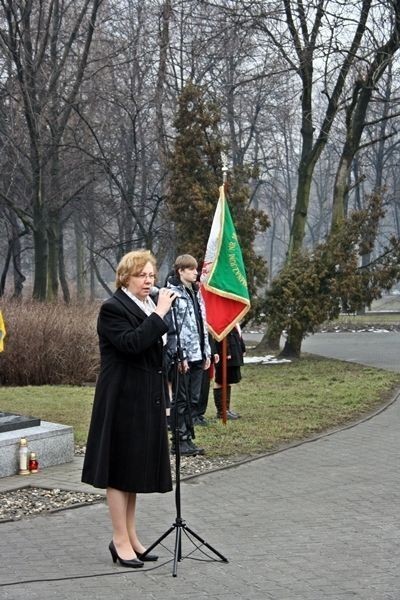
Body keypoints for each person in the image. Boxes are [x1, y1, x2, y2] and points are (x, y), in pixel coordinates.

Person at [81, 249, 177, 568]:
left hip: (145, 396)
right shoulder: (113, 308)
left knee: (133, 471)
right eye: (142, 275)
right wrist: (160, 313)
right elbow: (132, 344)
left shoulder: (148, 304)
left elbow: (155, 350)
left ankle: (131, 536)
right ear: (126, 277)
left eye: (152, 275)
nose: (149, 281)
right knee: (119, 471)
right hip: (121, 397)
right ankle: (119, 539)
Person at [165, 254, 211, 456]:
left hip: (198, 354)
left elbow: (202, 324)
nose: (196, 272)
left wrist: (207, 351)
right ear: (180, 271)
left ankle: (188, 437)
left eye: (196, 269)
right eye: (191, 269)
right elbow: (172, 328)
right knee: (180, 399)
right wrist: (179, 356)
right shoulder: (171, 295)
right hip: (183, 356)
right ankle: (178, 439)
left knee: (193, 398)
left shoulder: (196, 292)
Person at [213, 324, 246, 420]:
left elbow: (237, 331)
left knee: (228, 379)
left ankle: (226, 409)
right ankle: (221, 411)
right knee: (220, 379)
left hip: (232, 347)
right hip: (223, 350)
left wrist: (241, 347)